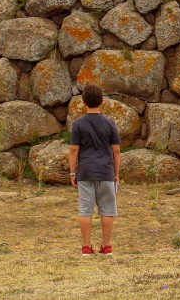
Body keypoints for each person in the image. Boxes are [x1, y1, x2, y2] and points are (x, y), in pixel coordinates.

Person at [68, 84, 121, 256]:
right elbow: (116, 151)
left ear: (83, 102)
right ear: (102, 101)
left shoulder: (78, 124)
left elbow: (74, 150)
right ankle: (106, 246)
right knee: (107, 210)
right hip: (106, 172)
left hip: (85, 172)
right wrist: (117, 174)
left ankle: (86, 247)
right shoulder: (110, 123)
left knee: (85, 210)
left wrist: (72, 173)